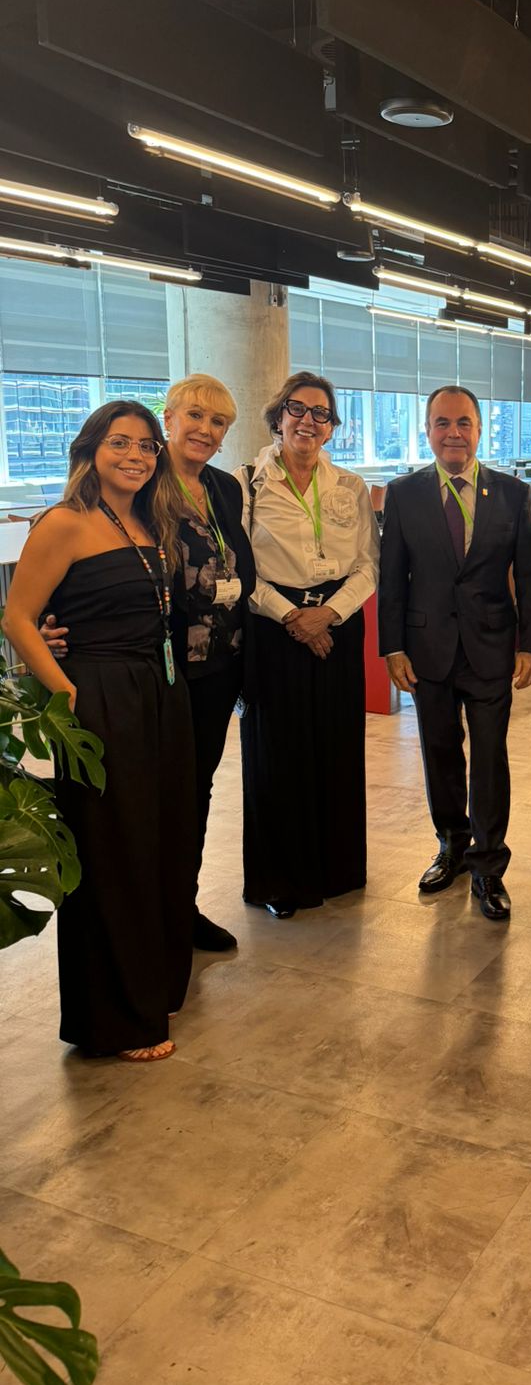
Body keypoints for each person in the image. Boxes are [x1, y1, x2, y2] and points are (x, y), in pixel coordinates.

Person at [2, 402, 195, 1061]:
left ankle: (154, 987)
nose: (135, 456)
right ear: (91, 449)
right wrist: (68, 692)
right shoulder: (63, 522)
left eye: (146, 445)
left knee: (160, 843)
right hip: (101, 697)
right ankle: (117, 1020)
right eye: (120, 443)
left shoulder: (148, 519)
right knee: (115, 855)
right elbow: (19, 619)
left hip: (158, 693)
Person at [41, 374, 253, 953]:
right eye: (195, 417)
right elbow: (95, 564)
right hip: (154, 671)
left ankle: (179, 905)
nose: (205, 431)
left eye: (218, 423)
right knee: (143, 803)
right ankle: (149, 918)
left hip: (216, 670)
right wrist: (56, 625)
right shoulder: (141, 481)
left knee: (193, 794)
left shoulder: (224, 489)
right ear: (169, 421)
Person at [379, 385, 531, 921]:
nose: (453, 433)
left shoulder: (512, 494)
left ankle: (488, 867)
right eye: (442, 423)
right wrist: (392, 646)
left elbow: (530, 575)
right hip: (427, 648)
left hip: (492, 647)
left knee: (490, 760)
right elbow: (392, 579)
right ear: (427, 431)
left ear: (479, 429)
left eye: (464, 423)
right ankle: (452, 844)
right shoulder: (403, 494)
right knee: (440, 753)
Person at [238, 371, 379, 918]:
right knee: (280, 755)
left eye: (321, 413)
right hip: (274, 628)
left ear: (332, 427)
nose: (308, 421)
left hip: (338, 624)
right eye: (298, 409)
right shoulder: (246, 481)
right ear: (278, 416)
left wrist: (329, 614)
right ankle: (282, 881)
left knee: (336, 747)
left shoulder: (349, 486)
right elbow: (238, 569)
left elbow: (369, 565)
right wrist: (293, 615)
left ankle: (337, 869)